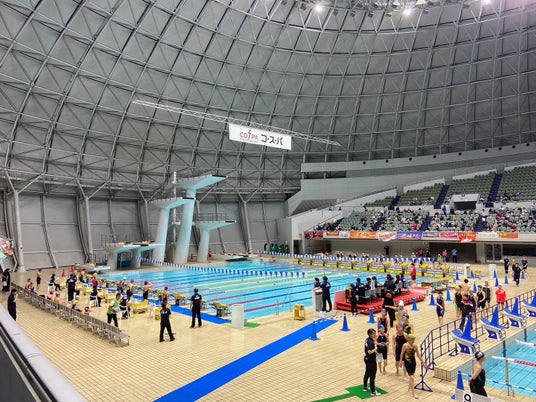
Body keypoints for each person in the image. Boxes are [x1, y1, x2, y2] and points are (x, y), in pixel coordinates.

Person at [400, 334, 425, 399]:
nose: (413, 341)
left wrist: (423, 362)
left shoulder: (415, 346)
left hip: (413, 363)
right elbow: (402, 353)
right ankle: (413, 394)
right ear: (409, 339)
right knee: (412, 377)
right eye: (412, 340)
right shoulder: (405, 345)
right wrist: (400, 361)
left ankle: (409, 388)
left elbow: (418, 355)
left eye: (414, 340)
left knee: (411, 377)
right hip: (407, 362)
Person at [363, 328, 381, 396]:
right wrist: (375, 349)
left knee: (367, 373)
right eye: (373, 333)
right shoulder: (370, 342)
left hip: (366, 359)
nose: (375, 334)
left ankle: (365, 387)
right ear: (370, 334)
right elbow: (369, 351)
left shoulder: (367, 340)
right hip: (371, 360)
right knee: (372, 375)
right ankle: (373, 392)